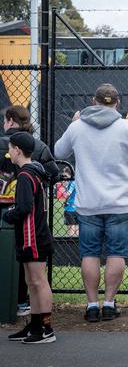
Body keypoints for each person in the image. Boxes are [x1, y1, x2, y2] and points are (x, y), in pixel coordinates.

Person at [54, 84, 128, 322]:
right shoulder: (127, 127)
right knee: (116, 254)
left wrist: (73, 124)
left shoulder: (78, 127)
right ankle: (109, 303)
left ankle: (92, 304)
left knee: (89, 254)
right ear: (118, 103)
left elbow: (58, 151)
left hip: (88, 203)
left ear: (94, 101)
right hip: (120, 203)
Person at [0, 105, 59, 318]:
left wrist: (9, 213)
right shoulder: (36, 169)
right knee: (31, 280)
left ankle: (43, 326)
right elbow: (54, 174)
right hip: (30, 227)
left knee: (37, 280)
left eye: (10, 149)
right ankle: (35, 322)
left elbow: (24, 207)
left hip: (30, 229)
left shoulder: (26, 175)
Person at [62, 168, 79, 237]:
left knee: (71, 230)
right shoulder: (76, 182)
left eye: (65, 176)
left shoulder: (72, 183)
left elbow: (68, 193)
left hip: (70, 209)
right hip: (77, 209)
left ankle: (70, 245)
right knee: (77, 229)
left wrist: (65, 201)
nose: (64, 178)